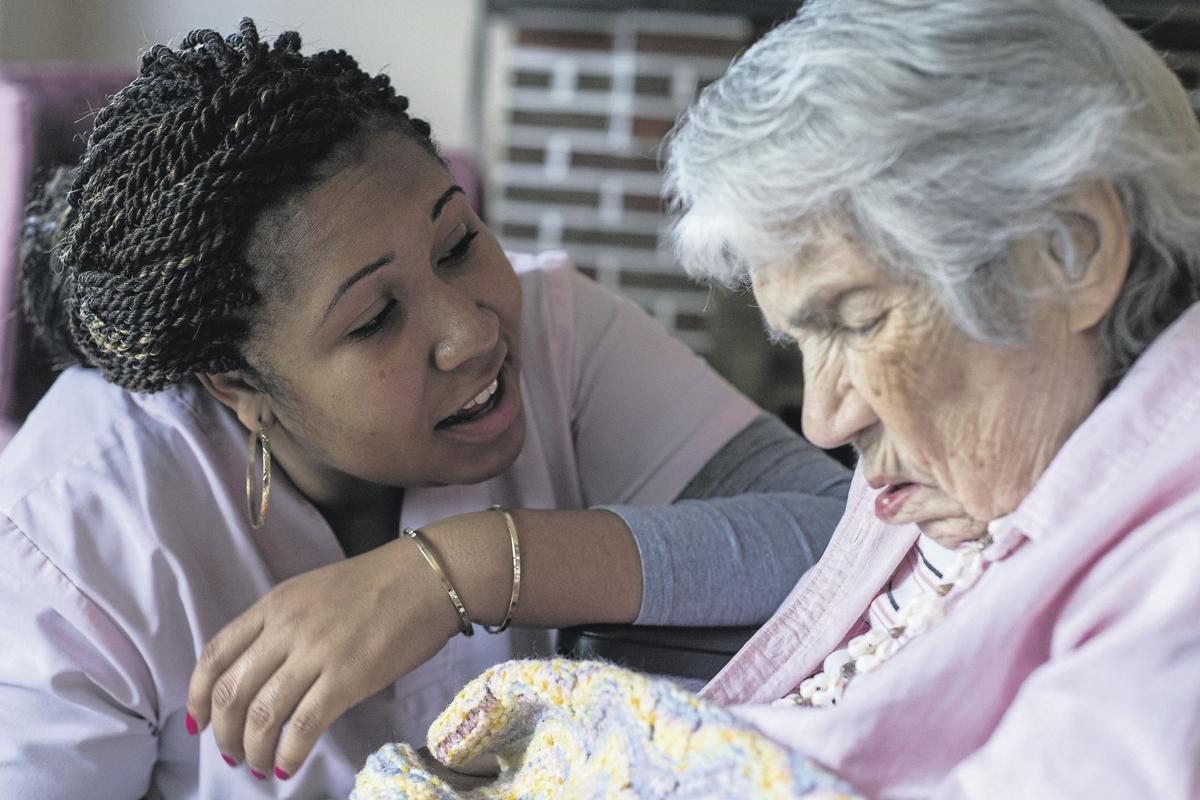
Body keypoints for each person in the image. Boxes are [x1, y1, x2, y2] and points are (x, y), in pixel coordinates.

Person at [358, 0, 1200, 796]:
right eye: (805, 344)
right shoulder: (975, 462)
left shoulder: (1173, 575)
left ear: (1069, 254)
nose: (826, 419)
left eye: (859, 321)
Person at [0, 19, 852, 799]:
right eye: (375, 319)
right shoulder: (70, 540)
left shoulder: (559, 331)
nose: (471, 332)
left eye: (458, 244)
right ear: (239, 386)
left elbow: (850, 541)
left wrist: (464, 570)